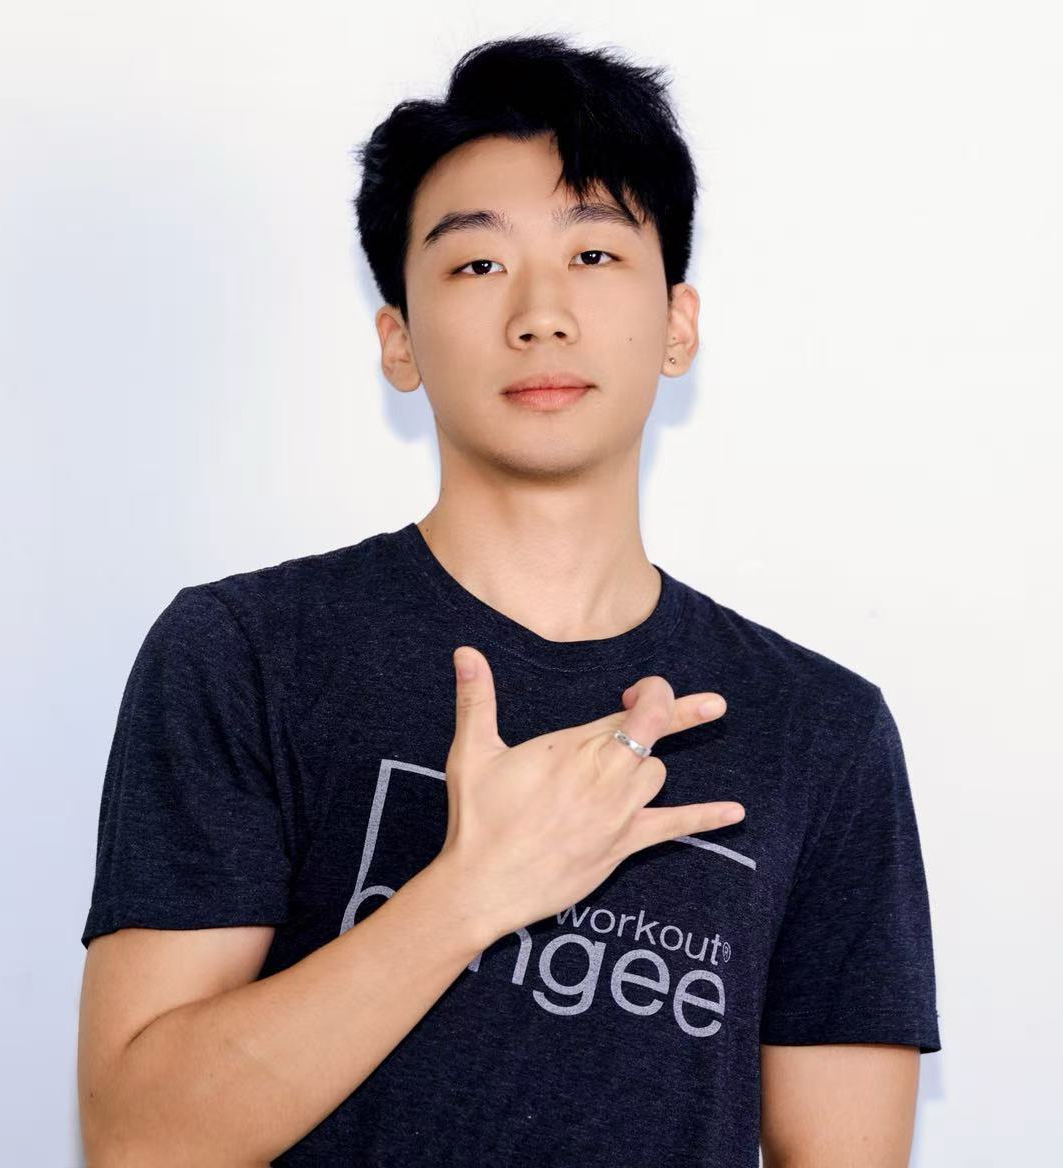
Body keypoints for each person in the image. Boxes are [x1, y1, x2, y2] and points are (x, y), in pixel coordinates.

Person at [76, 32, 941, 1168]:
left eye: (594, 253)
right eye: (477, 264)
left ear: (677, 323)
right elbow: (138, 1139)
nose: (540, 312)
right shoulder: (245, 655)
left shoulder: (819, 729)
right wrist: (471, 892)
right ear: (398, 342)